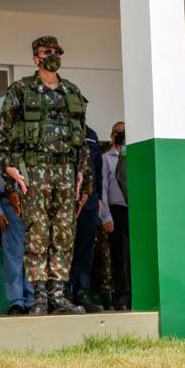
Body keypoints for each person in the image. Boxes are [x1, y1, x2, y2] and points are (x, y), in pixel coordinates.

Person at [0, 35, 87, 316]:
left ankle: (58, 296)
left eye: (56, 51)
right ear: (35, 57)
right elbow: (2, 139)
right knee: (36, 237)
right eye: (46, 52)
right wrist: (13, 175)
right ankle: (39, 298)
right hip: (35, 172)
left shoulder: (71, 91)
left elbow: (82, 140)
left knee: (63, 235)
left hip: (66, 173)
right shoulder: (20, 90)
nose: (52, 56)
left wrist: (82, 175)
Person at [0, 140, 33, 316]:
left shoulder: (35, 136)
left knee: (35, 253)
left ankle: (32, 300)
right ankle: (16, 302)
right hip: (9, 204)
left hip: (36, 204)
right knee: (14, 254)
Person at [69, 125, 105, 313]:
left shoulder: (91, 135)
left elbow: (97, 168)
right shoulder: (64, 128)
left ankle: (81, 291)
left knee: (85, 249)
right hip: (66, 199)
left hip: (89, 201)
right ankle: (64, 292)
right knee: (65, 247)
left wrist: (98, 197)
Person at [100, 121, 131, 310]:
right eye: (118, 132)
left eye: (125, 132)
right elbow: (102, 188)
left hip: (133, 211)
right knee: (120, 256)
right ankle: (122, 296)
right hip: (116, 212)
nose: (121, 135)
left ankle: (134, 293)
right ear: (112, 136)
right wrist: (106, 216)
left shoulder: (132, 155)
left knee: (133, 256)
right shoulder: (105, 158)